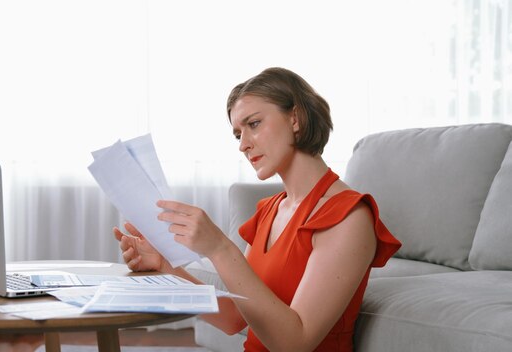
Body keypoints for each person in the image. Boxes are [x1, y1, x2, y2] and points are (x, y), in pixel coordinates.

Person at [113, 67, 401, 352]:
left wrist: (220, 248)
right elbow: (234, 318)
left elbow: (295, 343)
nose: (242, 145)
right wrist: (165, 268)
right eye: (237, 134)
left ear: (296, 118)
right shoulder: (270, 210)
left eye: (253, 124)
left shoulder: (348, 216)